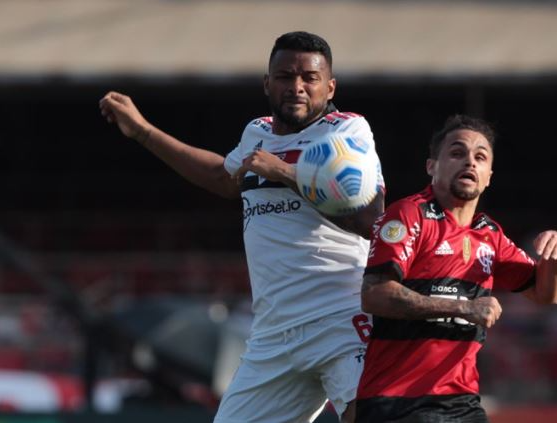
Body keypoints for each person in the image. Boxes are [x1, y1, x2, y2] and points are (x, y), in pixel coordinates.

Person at [99, 31, 384, 423]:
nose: (297, 87)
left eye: (309, 78)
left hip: (339, 318)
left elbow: (371, 219)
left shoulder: (346, 133)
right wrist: (144, 131)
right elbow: (223, 177)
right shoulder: (258, 132)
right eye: (285, 76)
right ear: (268, 83)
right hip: (273, 333)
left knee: (369, 416)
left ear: (329, 86)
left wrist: (284, 172)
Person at [356, 115, 557, 422]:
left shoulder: (490, 234)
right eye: (457, 153)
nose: (470, 161)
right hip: (397, 400)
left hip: (461, 401)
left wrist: (555, 252)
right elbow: (374, 294)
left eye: (480, 157)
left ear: (488, 176)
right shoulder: (409, 214)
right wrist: (464, 308)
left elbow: (545, 294)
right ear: (432, 166)